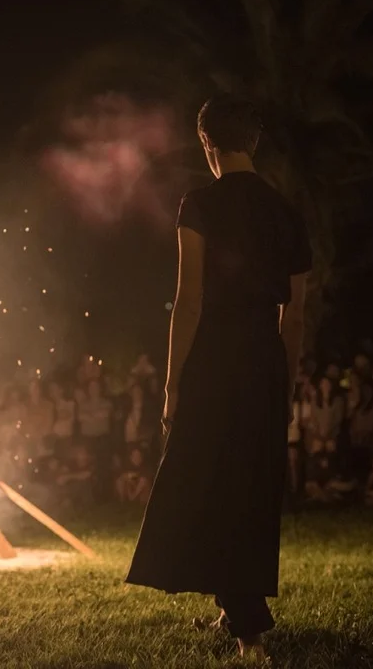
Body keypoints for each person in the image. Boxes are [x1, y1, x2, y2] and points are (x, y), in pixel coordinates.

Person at [126, 95, 311, 661]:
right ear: (253, 143)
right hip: (264, 357)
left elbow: (190, 300)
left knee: (204, 479)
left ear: (207, 143)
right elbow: (295, 316)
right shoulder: (287, 212)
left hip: (213, 357)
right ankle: (234, 607)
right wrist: (286, 385)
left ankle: (249, 630)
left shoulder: (200, 203)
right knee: (249, 484)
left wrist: (172, 384)